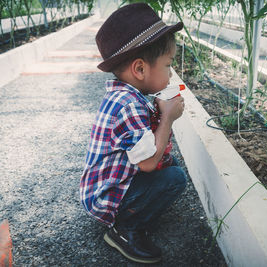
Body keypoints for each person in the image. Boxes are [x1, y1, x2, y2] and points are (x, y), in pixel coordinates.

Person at [80, 3, 187, 264]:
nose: (171, 73)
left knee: (168, 164)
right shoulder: (129, 105)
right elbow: (148, 163)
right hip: (103, 197)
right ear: (140, 69)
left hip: (102, 187)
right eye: (167, 65)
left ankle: (131, 209)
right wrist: (168, 120)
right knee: (174, 177)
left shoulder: (127, 95)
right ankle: (125, 230)